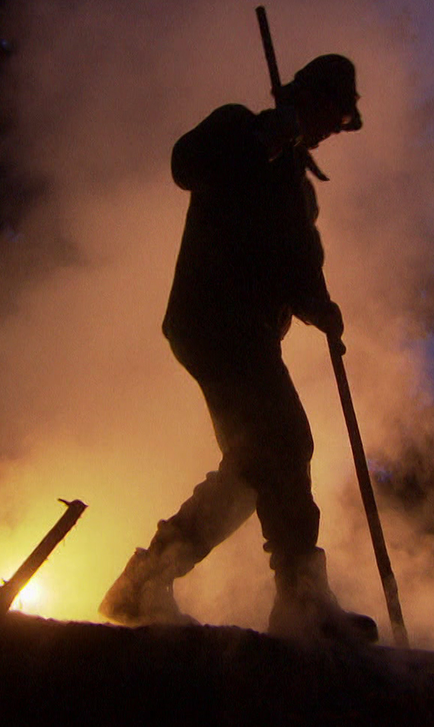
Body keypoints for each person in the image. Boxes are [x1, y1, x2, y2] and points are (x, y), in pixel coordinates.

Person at [100, 54, 376, 643]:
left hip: (247, 333)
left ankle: (144, 582)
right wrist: (263, 138)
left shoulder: (296, 188)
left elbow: (298, 269)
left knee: (255, 468)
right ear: (310, 98)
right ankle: (301, 598)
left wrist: (320, 306)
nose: (333, 130)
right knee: (286, 442)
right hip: (214, 320)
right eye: (334, 115)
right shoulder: (241, 128)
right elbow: (187, 164)